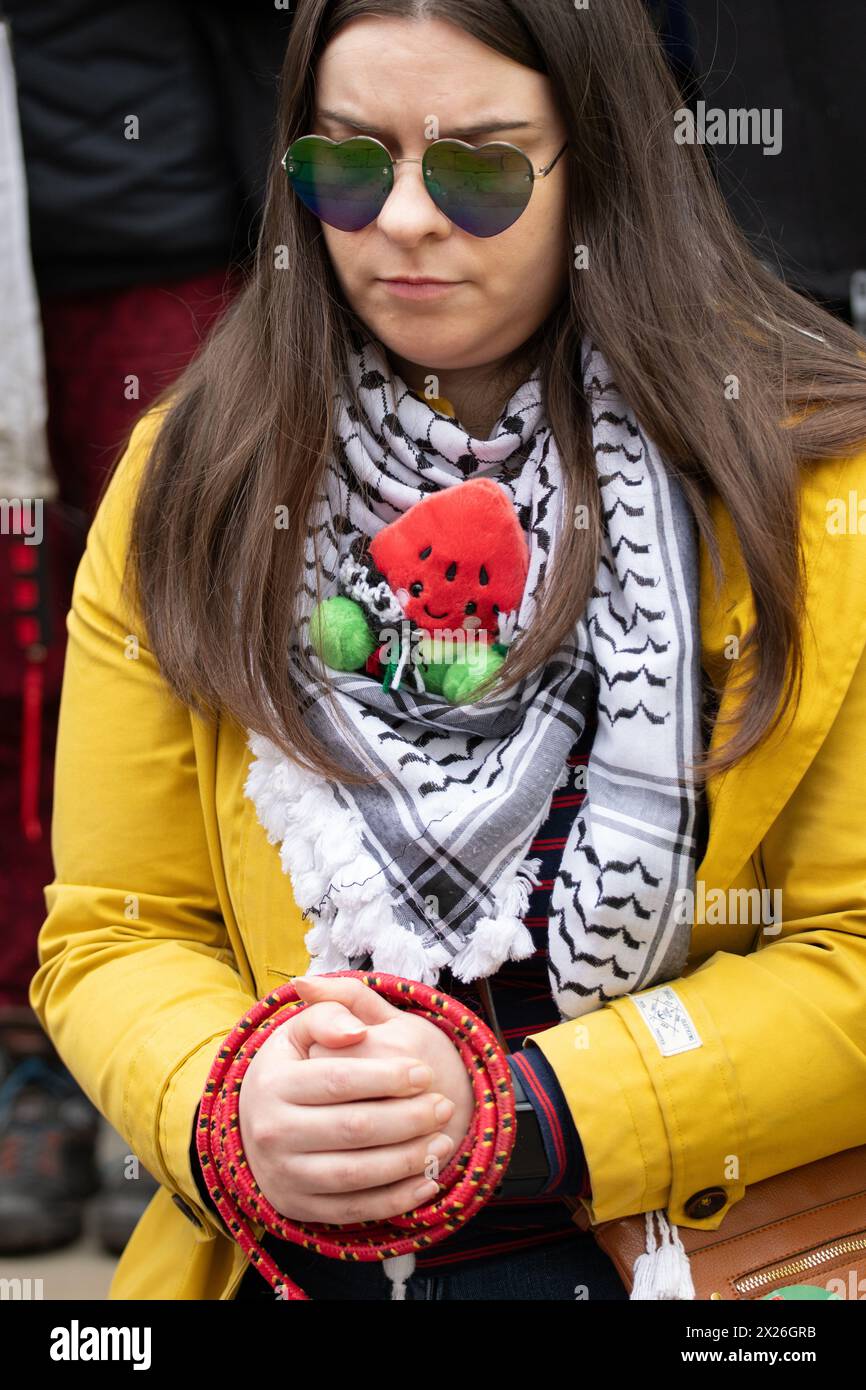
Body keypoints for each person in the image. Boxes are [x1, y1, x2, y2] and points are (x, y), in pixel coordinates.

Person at [30, 0, 866, 1301]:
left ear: (604, 160)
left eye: (477, 168)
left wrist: (518, 1107)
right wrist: (229, 1099)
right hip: (300, 1257)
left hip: (701, 1257)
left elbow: (852, 948)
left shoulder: (812, 482)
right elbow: (117, 928)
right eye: (347, 165)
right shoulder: (188, 475)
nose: (405, 218)